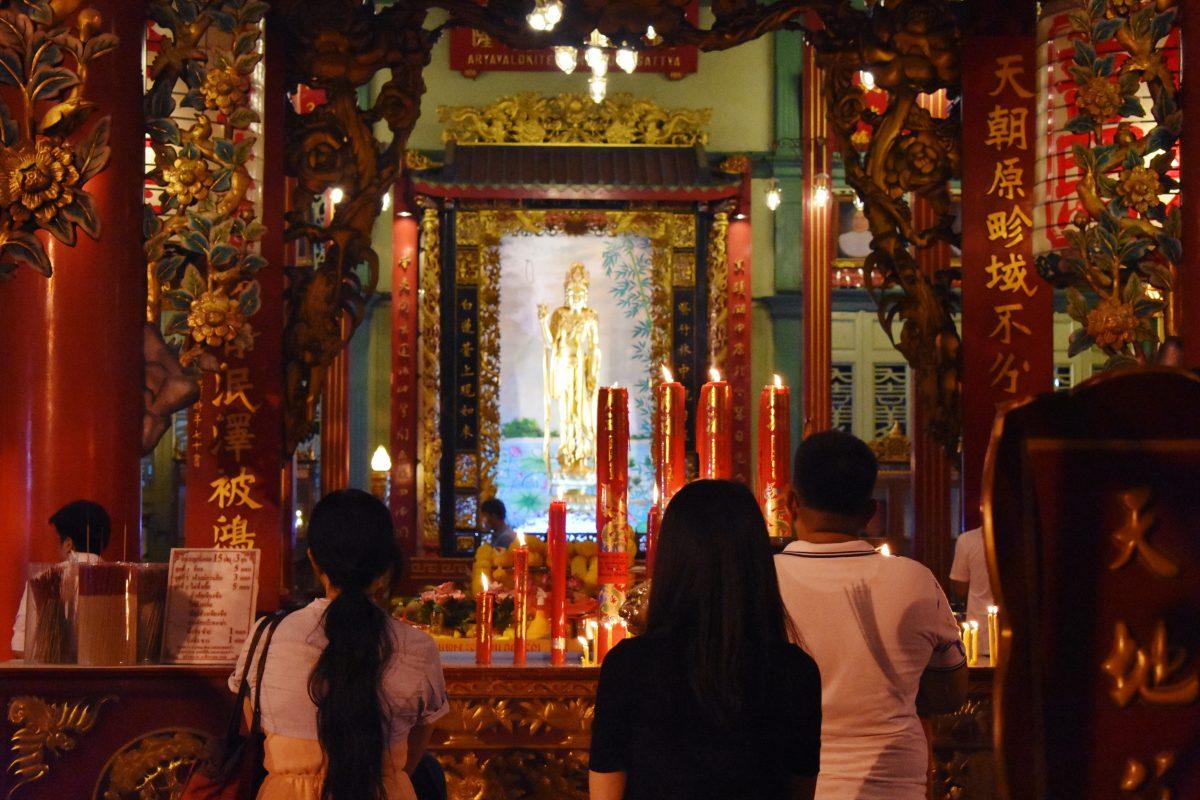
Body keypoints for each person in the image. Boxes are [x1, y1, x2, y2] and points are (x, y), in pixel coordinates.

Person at [590, 480, 821, 800]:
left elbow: (606, 791)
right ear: (757, 561)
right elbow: (800, 791)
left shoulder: (628, 666)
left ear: (671, 560)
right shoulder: (795, 671)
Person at [778, 431, 966, 800]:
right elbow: (950, 694)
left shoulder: (758, 582)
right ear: (869, 512)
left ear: (790, 502)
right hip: (892, 785)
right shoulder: (914, 580)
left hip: (794, 785)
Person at [230, 489, 448, 800]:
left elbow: (257, 727)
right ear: (386, 567)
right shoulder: (418, 647)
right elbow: (414, 751)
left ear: (313, 559)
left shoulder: (266, 636)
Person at [11, 500, 111, 657]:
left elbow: (20, 646)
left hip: (55, 679)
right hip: (111, 679)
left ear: (68, 544)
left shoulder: (42, 580)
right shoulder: (122, 580)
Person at [949, 526, 996, 656]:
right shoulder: (1025, 538)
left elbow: (960, 587)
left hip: (980, 632)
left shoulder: (967, 540)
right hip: (1013, 633)